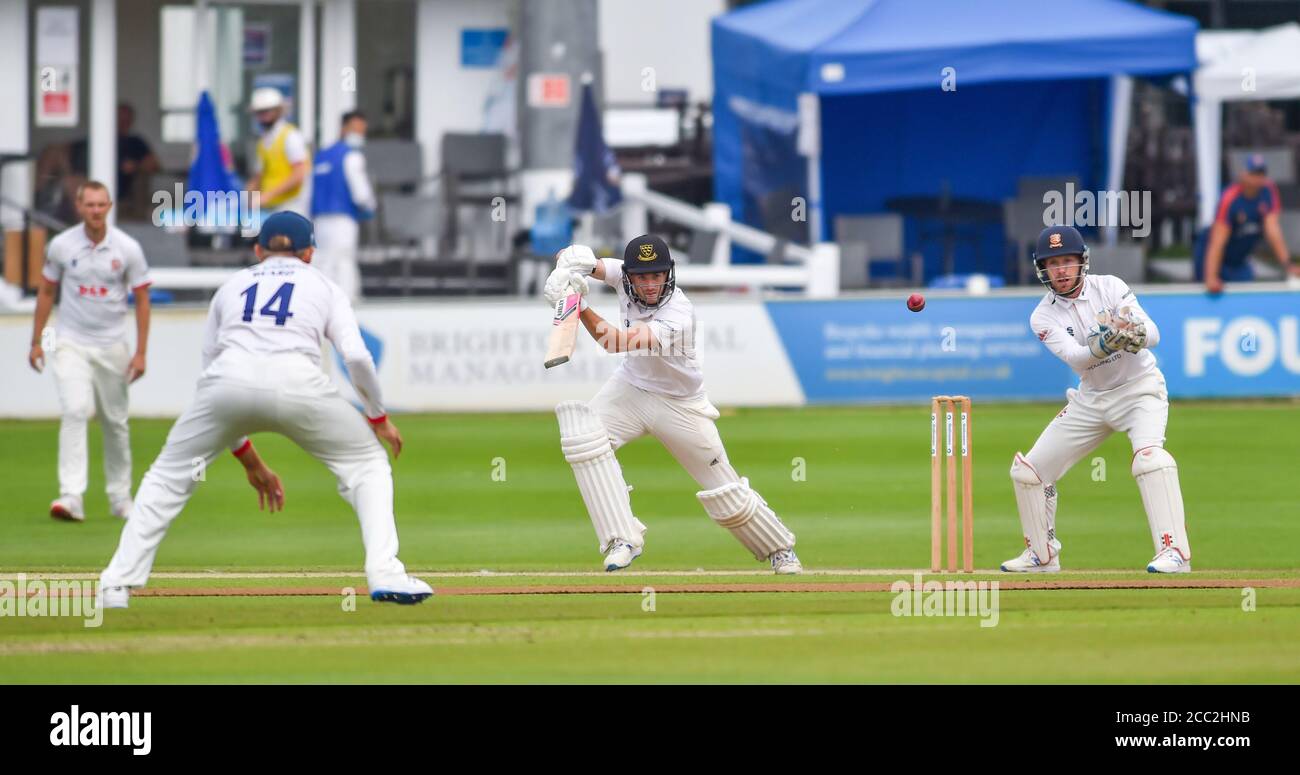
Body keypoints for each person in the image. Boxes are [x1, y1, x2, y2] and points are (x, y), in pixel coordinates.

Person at [96, 211, 431, 609]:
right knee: (367, 465)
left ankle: (116, 585)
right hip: (298, 384)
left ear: (258, 251)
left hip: (227, 382)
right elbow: (356, 357)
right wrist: (378, 417)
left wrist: (247, 458)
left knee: (167, 478)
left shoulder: (230, 287)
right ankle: (385, 573)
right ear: (309, 253)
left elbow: (210, 370)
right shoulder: (324, 285)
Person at [543, 236, 802, 574]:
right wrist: (567, 264)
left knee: (724, 489)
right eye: (642, 277)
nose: (650, 285)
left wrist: (576, 303)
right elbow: (586, 262)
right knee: (583, 436)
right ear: (631, 276)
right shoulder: (623, 276)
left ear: (668, 274)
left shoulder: (679, 314)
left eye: (657, 276)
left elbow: (613, 341)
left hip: (680, 405)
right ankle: (622, 538)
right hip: (631, 389)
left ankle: (780, 550)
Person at [1003, 225, 1191, 574]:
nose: (1060, 270)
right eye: (1052, 263)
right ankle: (1041, 556)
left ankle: (1174, 552)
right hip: (1092, 399)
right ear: (1042, 269)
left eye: (1066, 261)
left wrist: (1133, 333)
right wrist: (1105, 343)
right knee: (1028, 472)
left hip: (1140, 390)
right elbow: (1076, 357)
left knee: (1150, 459)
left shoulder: (1111, 287)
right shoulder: (1042, 316)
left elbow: (1153, 333)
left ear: (1081, 262)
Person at [28, 180, 151, 522]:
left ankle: (120, 497)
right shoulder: (62, 245)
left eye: (101, 205)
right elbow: (47, 293)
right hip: (69, 341)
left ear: (110, 207)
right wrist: (38, 341)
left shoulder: (128, 248)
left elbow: (142, 299)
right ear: (79, 207)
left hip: (113, 344)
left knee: (115, 421)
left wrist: (141, 352)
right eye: (90, 205)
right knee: (74, 410)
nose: (96, 211)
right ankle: (71, 495)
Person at [1196, 153, 1298, 293]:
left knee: (1244, 291)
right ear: (1243, 174)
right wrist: (1211, 277)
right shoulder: (1230, 199)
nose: (1257, 179)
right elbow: (1217, 242)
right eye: (1254, 174)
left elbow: (1273, 230)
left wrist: (1287, 265)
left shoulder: (1268, 190)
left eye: (1261, 174)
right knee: (1211, 293)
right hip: (1213, 254)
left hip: (1240, 258)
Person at [311, 111, 376, 301]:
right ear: (344, 127)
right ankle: (347, 304)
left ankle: (322, 302)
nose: (359, 134)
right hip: (343, 219)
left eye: (362, 131)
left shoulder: (321, 156)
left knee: (322, 263)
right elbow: (362, 194)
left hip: (319, 220)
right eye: (356, 129)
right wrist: (371, 206)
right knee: (344, 263)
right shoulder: (351, 156)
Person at [246, 87, 310, 217]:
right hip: (271, 208)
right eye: (259, 112)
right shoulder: (264, 141)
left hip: (292, 206)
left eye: (267, 111)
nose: (263, 116)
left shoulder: (291, 136)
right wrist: (246, 196)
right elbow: (259, 176)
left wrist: (267, 196)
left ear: (279, 111)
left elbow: (299, 174)